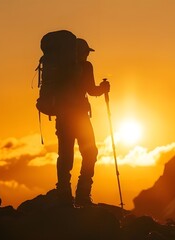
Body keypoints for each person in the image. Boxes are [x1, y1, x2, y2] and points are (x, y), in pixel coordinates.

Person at [55, 38, 110, 206]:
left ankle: (63, 194)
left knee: (65, 156)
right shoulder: (86, 67)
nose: (87, 55)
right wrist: (104, 88)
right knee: (90, 153)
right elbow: (92, 90)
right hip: (80, 118)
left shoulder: (60, 68)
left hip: (62, 118)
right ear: (81, 52)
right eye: (86, 52)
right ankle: (83, 195)